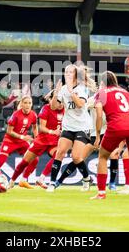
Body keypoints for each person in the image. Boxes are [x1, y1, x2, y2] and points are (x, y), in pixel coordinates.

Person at [90, 71, 129, 200]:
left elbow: (99, 115)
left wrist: (98, 135)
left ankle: (101, 193)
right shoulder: (125, 92)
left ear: (103, 82)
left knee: (103, 157)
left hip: (116, 126)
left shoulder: (101, 93)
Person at [47, 64, 96, 192]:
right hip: (68, 126)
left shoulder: (83, 89)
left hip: (82, 127)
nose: (67, 74)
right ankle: (52, 183)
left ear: (75, 75)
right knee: (60, 152)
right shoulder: (62, 89)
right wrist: (56, 93)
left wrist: (70, 90)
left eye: (70, 72)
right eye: (66, 72)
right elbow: (53, 107)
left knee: (76, 157)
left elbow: (80, 104)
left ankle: (86, 179)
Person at [8, 91, 64, 190]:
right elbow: (41, 127)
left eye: (61, 101)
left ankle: (41, 179)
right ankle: (12, 181)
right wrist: (52, 132)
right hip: (43, 139)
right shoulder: (46, 108)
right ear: (51, 100)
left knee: (58, 156)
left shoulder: (65, 109)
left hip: (55, 141)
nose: (60, 103)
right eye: (58, 101)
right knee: (25, 162)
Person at [0, 96, 38, 172]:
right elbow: (9, 131)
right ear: (22, 104)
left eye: (29, 103)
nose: (27, 105)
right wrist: (23, 137)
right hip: (10, 140)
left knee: (34, 159)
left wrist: (36, 138)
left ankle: (23, 180)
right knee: (1, 160)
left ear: (32, 104)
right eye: (25, 103)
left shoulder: (33, 115)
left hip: (22, 142)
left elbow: (35, 127)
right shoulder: (16, 115)